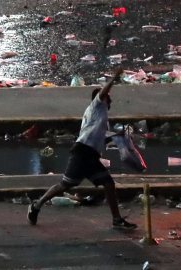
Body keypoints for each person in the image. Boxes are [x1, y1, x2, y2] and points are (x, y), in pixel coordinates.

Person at [27, 68, 136, 230]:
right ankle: (36, 205)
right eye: (108, 98)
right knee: (65, 185)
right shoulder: (97, 106)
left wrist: (115, 136)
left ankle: (117, 220)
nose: (110, 102)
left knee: (108, 184)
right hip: (82, 153)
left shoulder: (99, 117)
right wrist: (114, 78)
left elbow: (97, 139)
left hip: (90, 155)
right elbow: (103, 92)